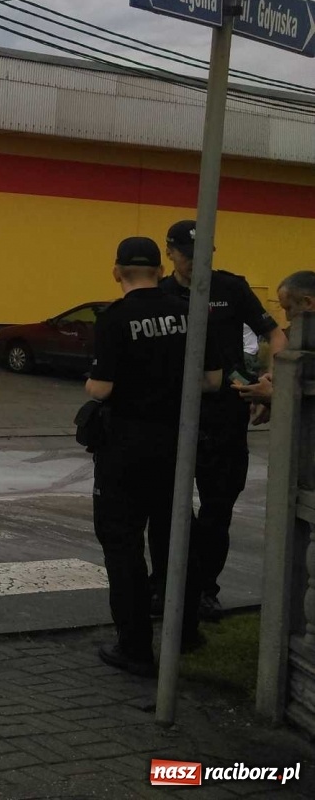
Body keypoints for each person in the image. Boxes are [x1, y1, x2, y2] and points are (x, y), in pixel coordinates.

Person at [85, 236, 220, 676]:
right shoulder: (189, 312)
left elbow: (101, 388)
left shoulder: (115, 318)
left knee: (122, 544)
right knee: (177, 536)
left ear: (117, 271)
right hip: (177, 444)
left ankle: (135, 647)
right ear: (160, 270)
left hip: (125, 446)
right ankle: (185, 634)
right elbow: (211, 379)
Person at [154, 219, 284, 619]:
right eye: (186, 255)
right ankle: (169, 588)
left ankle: (206, 588)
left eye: (203, 255)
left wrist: (271, 382)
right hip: (172, 415)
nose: (195, 263)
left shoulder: (230, 287)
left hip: (224, 416)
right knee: (168, 508)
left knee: (217, 509)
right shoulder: (160, 294)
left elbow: (274, 334)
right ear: (170, 253)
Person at [232, 269, 315, 414]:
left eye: (289, 308)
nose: (288, 317)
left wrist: (272, 396)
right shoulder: (299, 336)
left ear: (308, 302)